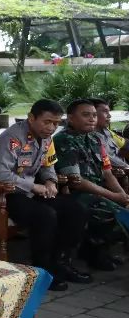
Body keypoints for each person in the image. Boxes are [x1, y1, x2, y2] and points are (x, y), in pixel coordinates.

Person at [0, 99, 90, 291]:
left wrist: (50, 181)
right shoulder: (13, 138)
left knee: (75, 210)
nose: (51, 128)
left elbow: (48, 164)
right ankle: (42, 271)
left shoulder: (47, 138)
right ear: (31, 118)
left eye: (56, 123)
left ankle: (60, 263)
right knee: (45, 216)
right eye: (47, 122)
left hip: (30, 191)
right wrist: (33, 186)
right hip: (5, 193)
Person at [53, 99, 123, 272]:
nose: (92, 119)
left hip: (98, 189)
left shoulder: (96, 138)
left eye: (93, 115)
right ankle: (93, 253)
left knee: (122, 206)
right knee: (108, 209)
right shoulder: (63, 140)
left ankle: (97, 249)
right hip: (73, 192)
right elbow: (77, 181)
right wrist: (113, 196)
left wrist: (122, 195)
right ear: (71, 118)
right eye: (85, 115)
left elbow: (107, 172)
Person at [92, 98, 128, 170]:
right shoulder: (88, 138)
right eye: (105, 111)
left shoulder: (107, 131)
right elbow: (108, 164)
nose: (109, 116)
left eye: (108, 112)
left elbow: (125, 143)